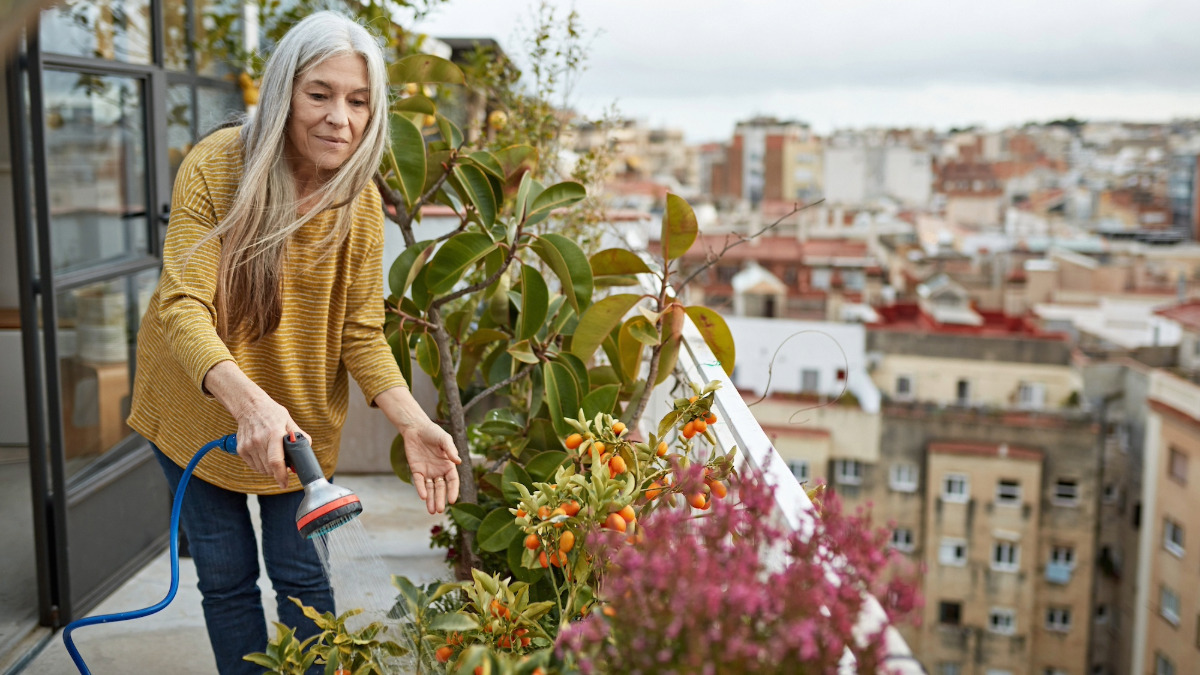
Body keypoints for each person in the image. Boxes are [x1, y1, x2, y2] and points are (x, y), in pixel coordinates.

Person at [126, 11, 460, 674]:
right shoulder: (216, 169)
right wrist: (249, 406)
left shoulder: (358, 203)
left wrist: (414, 421)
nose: (341, 116)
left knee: (304, 583)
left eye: (358, 101)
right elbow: (182, 308)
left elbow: (362, 332)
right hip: (197, 413)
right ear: (285, 91)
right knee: (225, 578)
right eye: (321, 94)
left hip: (300, 426)